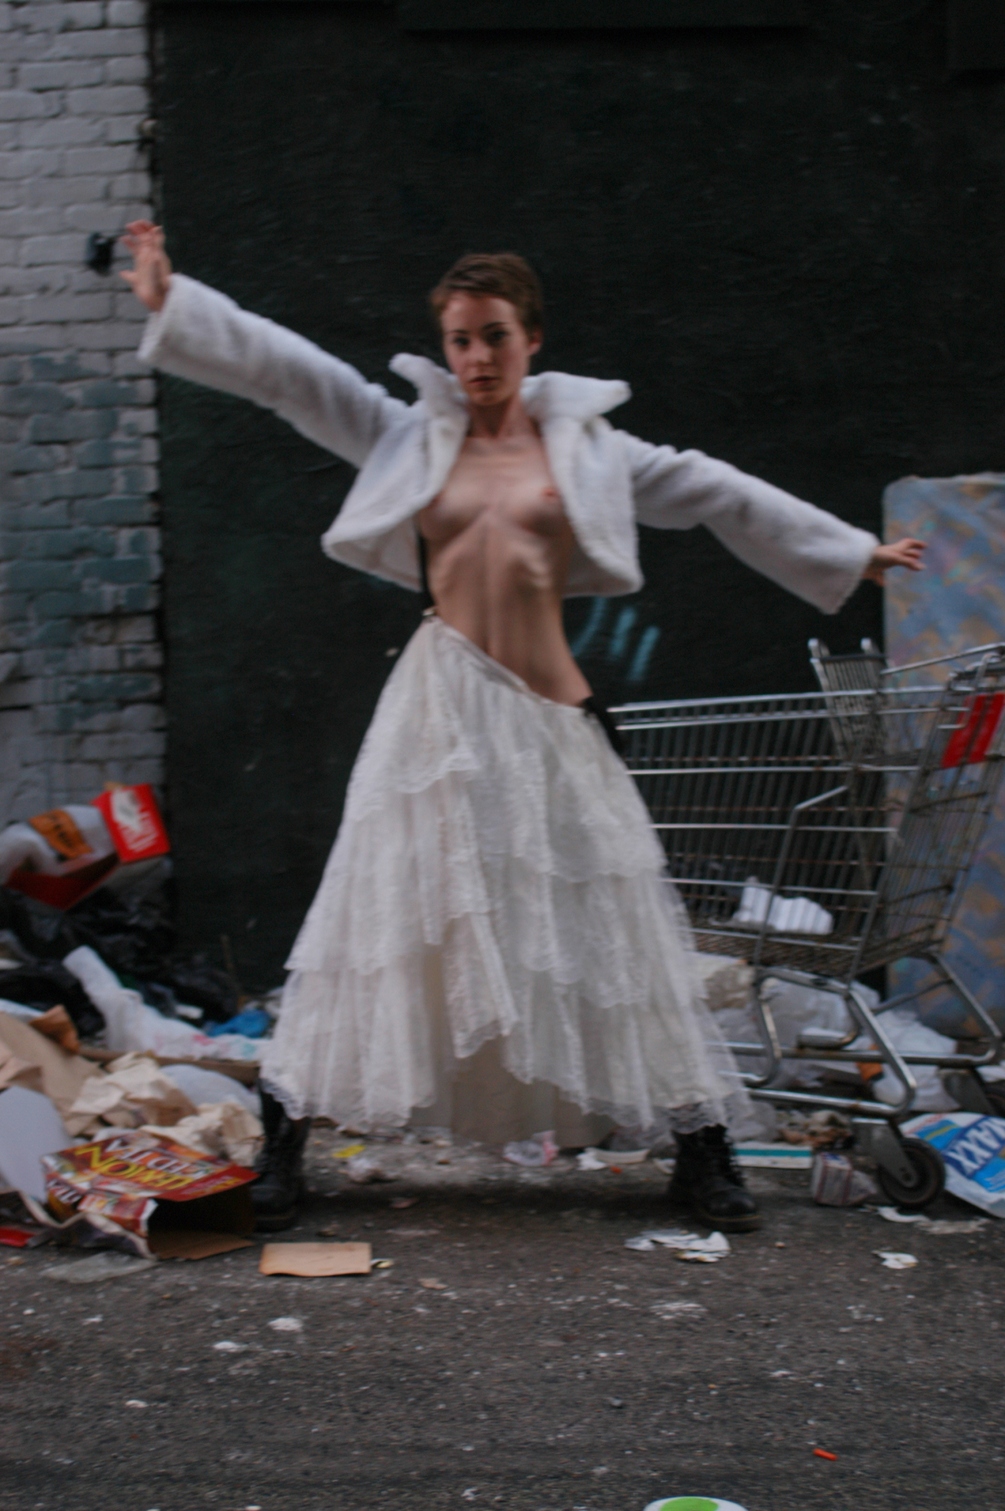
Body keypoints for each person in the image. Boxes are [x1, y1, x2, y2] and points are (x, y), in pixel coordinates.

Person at [123, 223, 925, 1232]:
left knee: (613, 924)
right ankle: (286, 1141)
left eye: (494, 336)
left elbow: (712, 486)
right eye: (459, 340)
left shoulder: (588, 451)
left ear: (532, 338)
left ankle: (700, 1151)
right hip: (439, 707)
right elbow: (291, 374)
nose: (476, 358)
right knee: (378, 915)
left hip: (550, 714)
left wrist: (849, 551)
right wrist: (173, 301)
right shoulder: (408, 436)